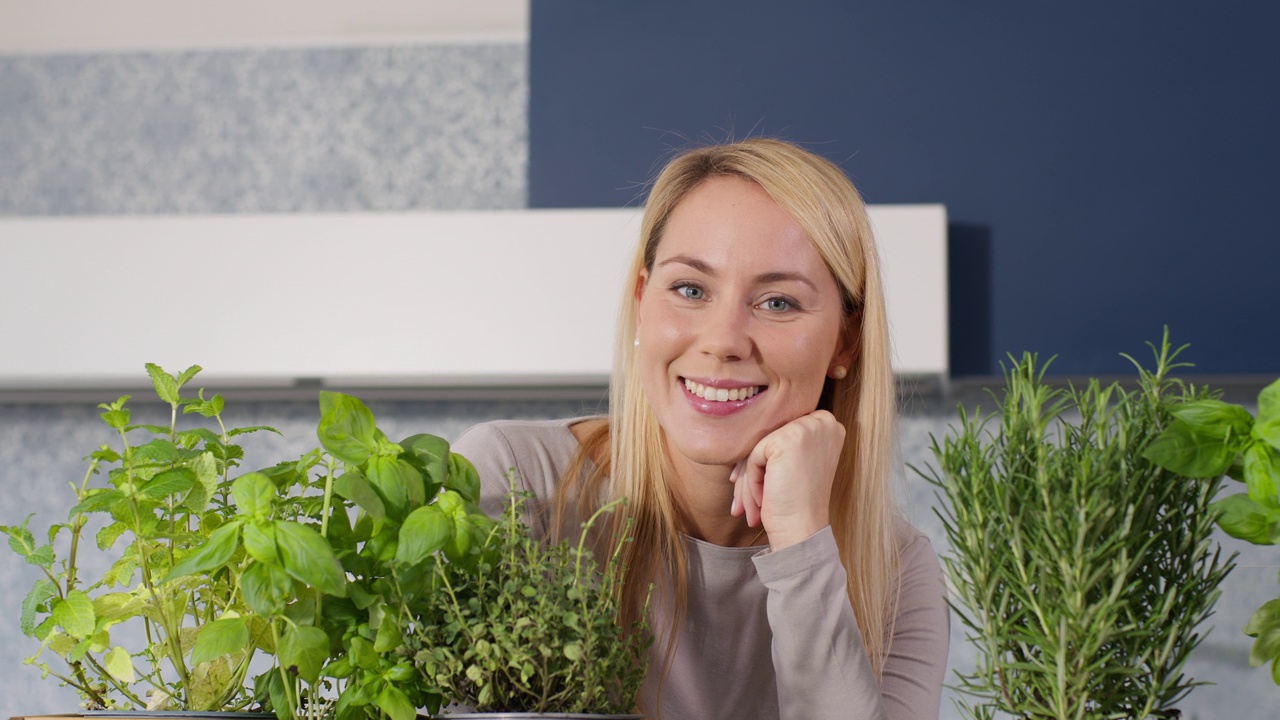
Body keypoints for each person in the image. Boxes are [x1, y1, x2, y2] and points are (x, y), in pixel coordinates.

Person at [453, 137, 949, 720]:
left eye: (778, 303)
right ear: (643, 302)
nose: (722, 340)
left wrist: (802, 548)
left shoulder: (896, 574)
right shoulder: (515, 483)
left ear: (846, 341)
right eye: (690, 290)